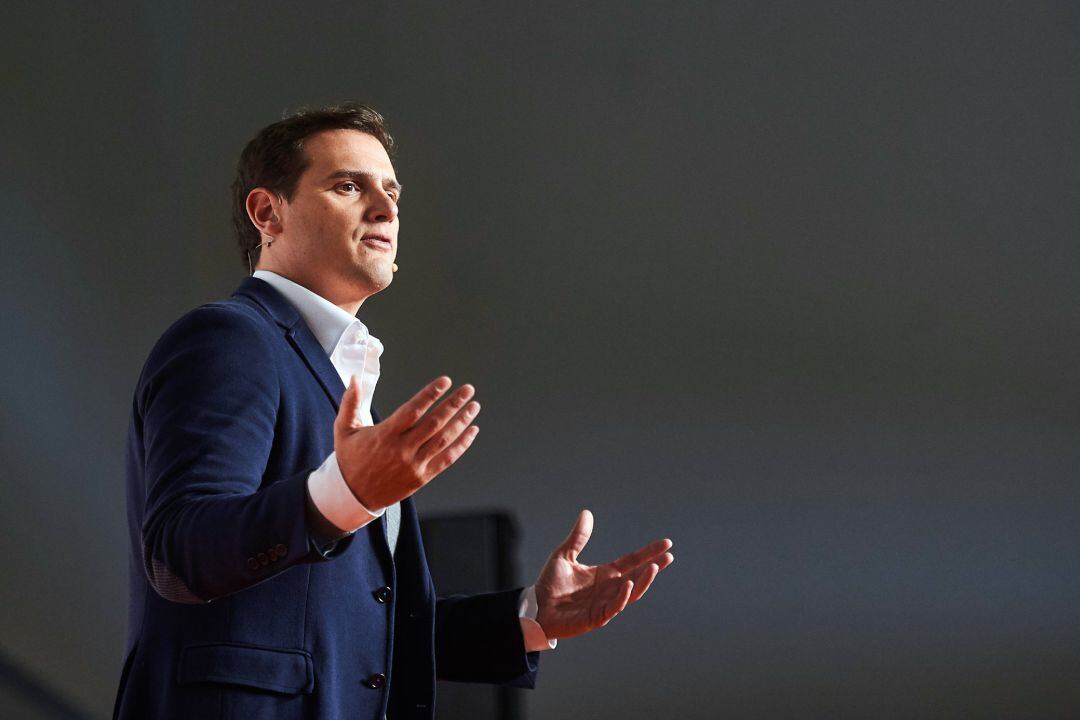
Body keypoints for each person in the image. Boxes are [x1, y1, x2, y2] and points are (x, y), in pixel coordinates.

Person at [113, 103, 674, 720]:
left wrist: (531, 618)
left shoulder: (337, 372)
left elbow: (365, 633)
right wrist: (344, 493)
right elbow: (177, 553)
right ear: (267, 212)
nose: (385, 208)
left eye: (392, 192)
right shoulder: (229, 339)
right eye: (348, 186)